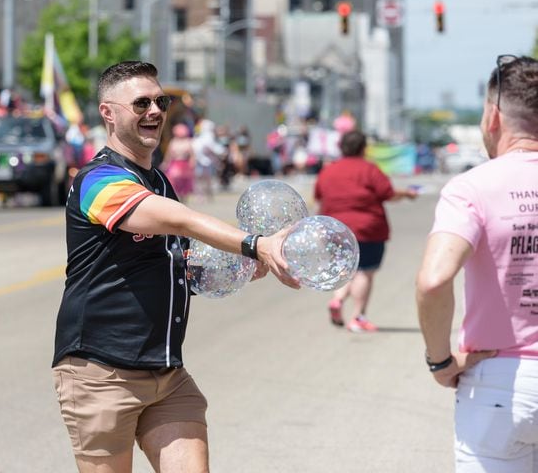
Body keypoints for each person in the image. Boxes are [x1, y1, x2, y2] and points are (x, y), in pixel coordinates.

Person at [51, 61, 301, 473]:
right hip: (102, 372)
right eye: (141, 102)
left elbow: (179, 263)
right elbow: (178, 221)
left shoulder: (158, 180)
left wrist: (238, 267)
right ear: (108, 113)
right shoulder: (97, 180)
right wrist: (255, 245)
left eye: (160, 101)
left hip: (166, 375)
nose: (154, 111)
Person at [415, 55, 538, 472]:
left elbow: (434, 281)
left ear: (492, 117)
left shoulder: (471, 188)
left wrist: (441, 362)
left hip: (500, 387)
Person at [314, 130, 417, 332]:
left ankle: (338, 299)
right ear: (364, 148)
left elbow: (318, 196)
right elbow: (387, 194)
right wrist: (407, 194)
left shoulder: (328, 171)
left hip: (335, 229)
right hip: (367, 229)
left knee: (345, 270)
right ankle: (358, 317)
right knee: (364, 272)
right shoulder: (369, 169)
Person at [160, 123, 195, 202]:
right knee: (174, 181)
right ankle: (176, 198)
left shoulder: (188, 141)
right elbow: (168, 154)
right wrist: (165, 163)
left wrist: (192, 162)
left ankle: (184, 199)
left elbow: (192, 155)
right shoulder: (173, 141)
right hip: (175, 164)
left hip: (185, 164)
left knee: (185, 181)